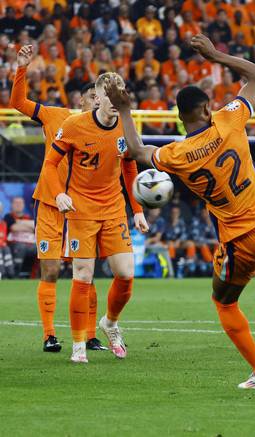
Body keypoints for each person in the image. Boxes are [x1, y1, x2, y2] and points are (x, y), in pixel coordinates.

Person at [105, 34, 255, 390]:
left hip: (243, 238)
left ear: (180, 116)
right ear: (205, 110)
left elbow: (139, 151)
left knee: (224, 302)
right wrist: (216, 55)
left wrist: (125, 109)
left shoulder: (176, 154)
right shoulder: (227, 120)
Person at [40, 72, 149, 364]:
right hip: (81, 210)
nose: (116, 100)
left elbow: (128, 168)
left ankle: (110, 323)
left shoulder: (126, 126)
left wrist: (137, 210)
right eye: (110, 94)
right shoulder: (74, 125)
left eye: (121, 93)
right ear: (97, 97)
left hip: (114, 208)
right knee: (83, 275)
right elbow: (51, 165)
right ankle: (78, 345)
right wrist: (58, 195)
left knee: (126, 275)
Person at [10, 45, 108, 353]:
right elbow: (18, 103)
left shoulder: (107, 129)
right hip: (51, 204)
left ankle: (90, 335)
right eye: (93, 96)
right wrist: (22, 67)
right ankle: (49, 335)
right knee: (50, 269)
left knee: (86, 273)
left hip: (82, 207)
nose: (97, 101)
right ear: (81, 100)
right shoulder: (57, 116)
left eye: (100, 97)